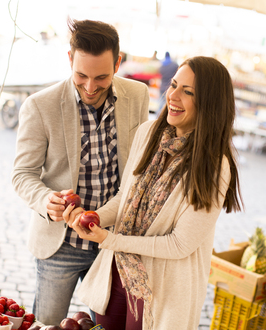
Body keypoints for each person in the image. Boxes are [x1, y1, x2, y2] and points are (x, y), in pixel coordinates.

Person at [63, 56, 243, 330]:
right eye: (173, 85)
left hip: (162, 290)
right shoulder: (148, 134)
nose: (173, 96)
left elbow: (179, 244)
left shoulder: (214, 165)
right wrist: (94, 217)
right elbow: (125, 198)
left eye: (188, 91)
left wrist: (111, 240)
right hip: (118, 275)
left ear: (210, 103)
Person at [11, 18, 150, 326]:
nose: (90, 87)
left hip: (113, 244)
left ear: (118, 63)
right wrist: (47, 200)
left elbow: (137, 166)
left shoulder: (138, 95)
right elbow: (22, 174)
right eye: (81, 75)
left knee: (106, 326)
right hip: (60, 246)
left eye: (101, 77)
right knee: (47, 323)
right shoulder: (40, 106)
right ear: (70, 59)